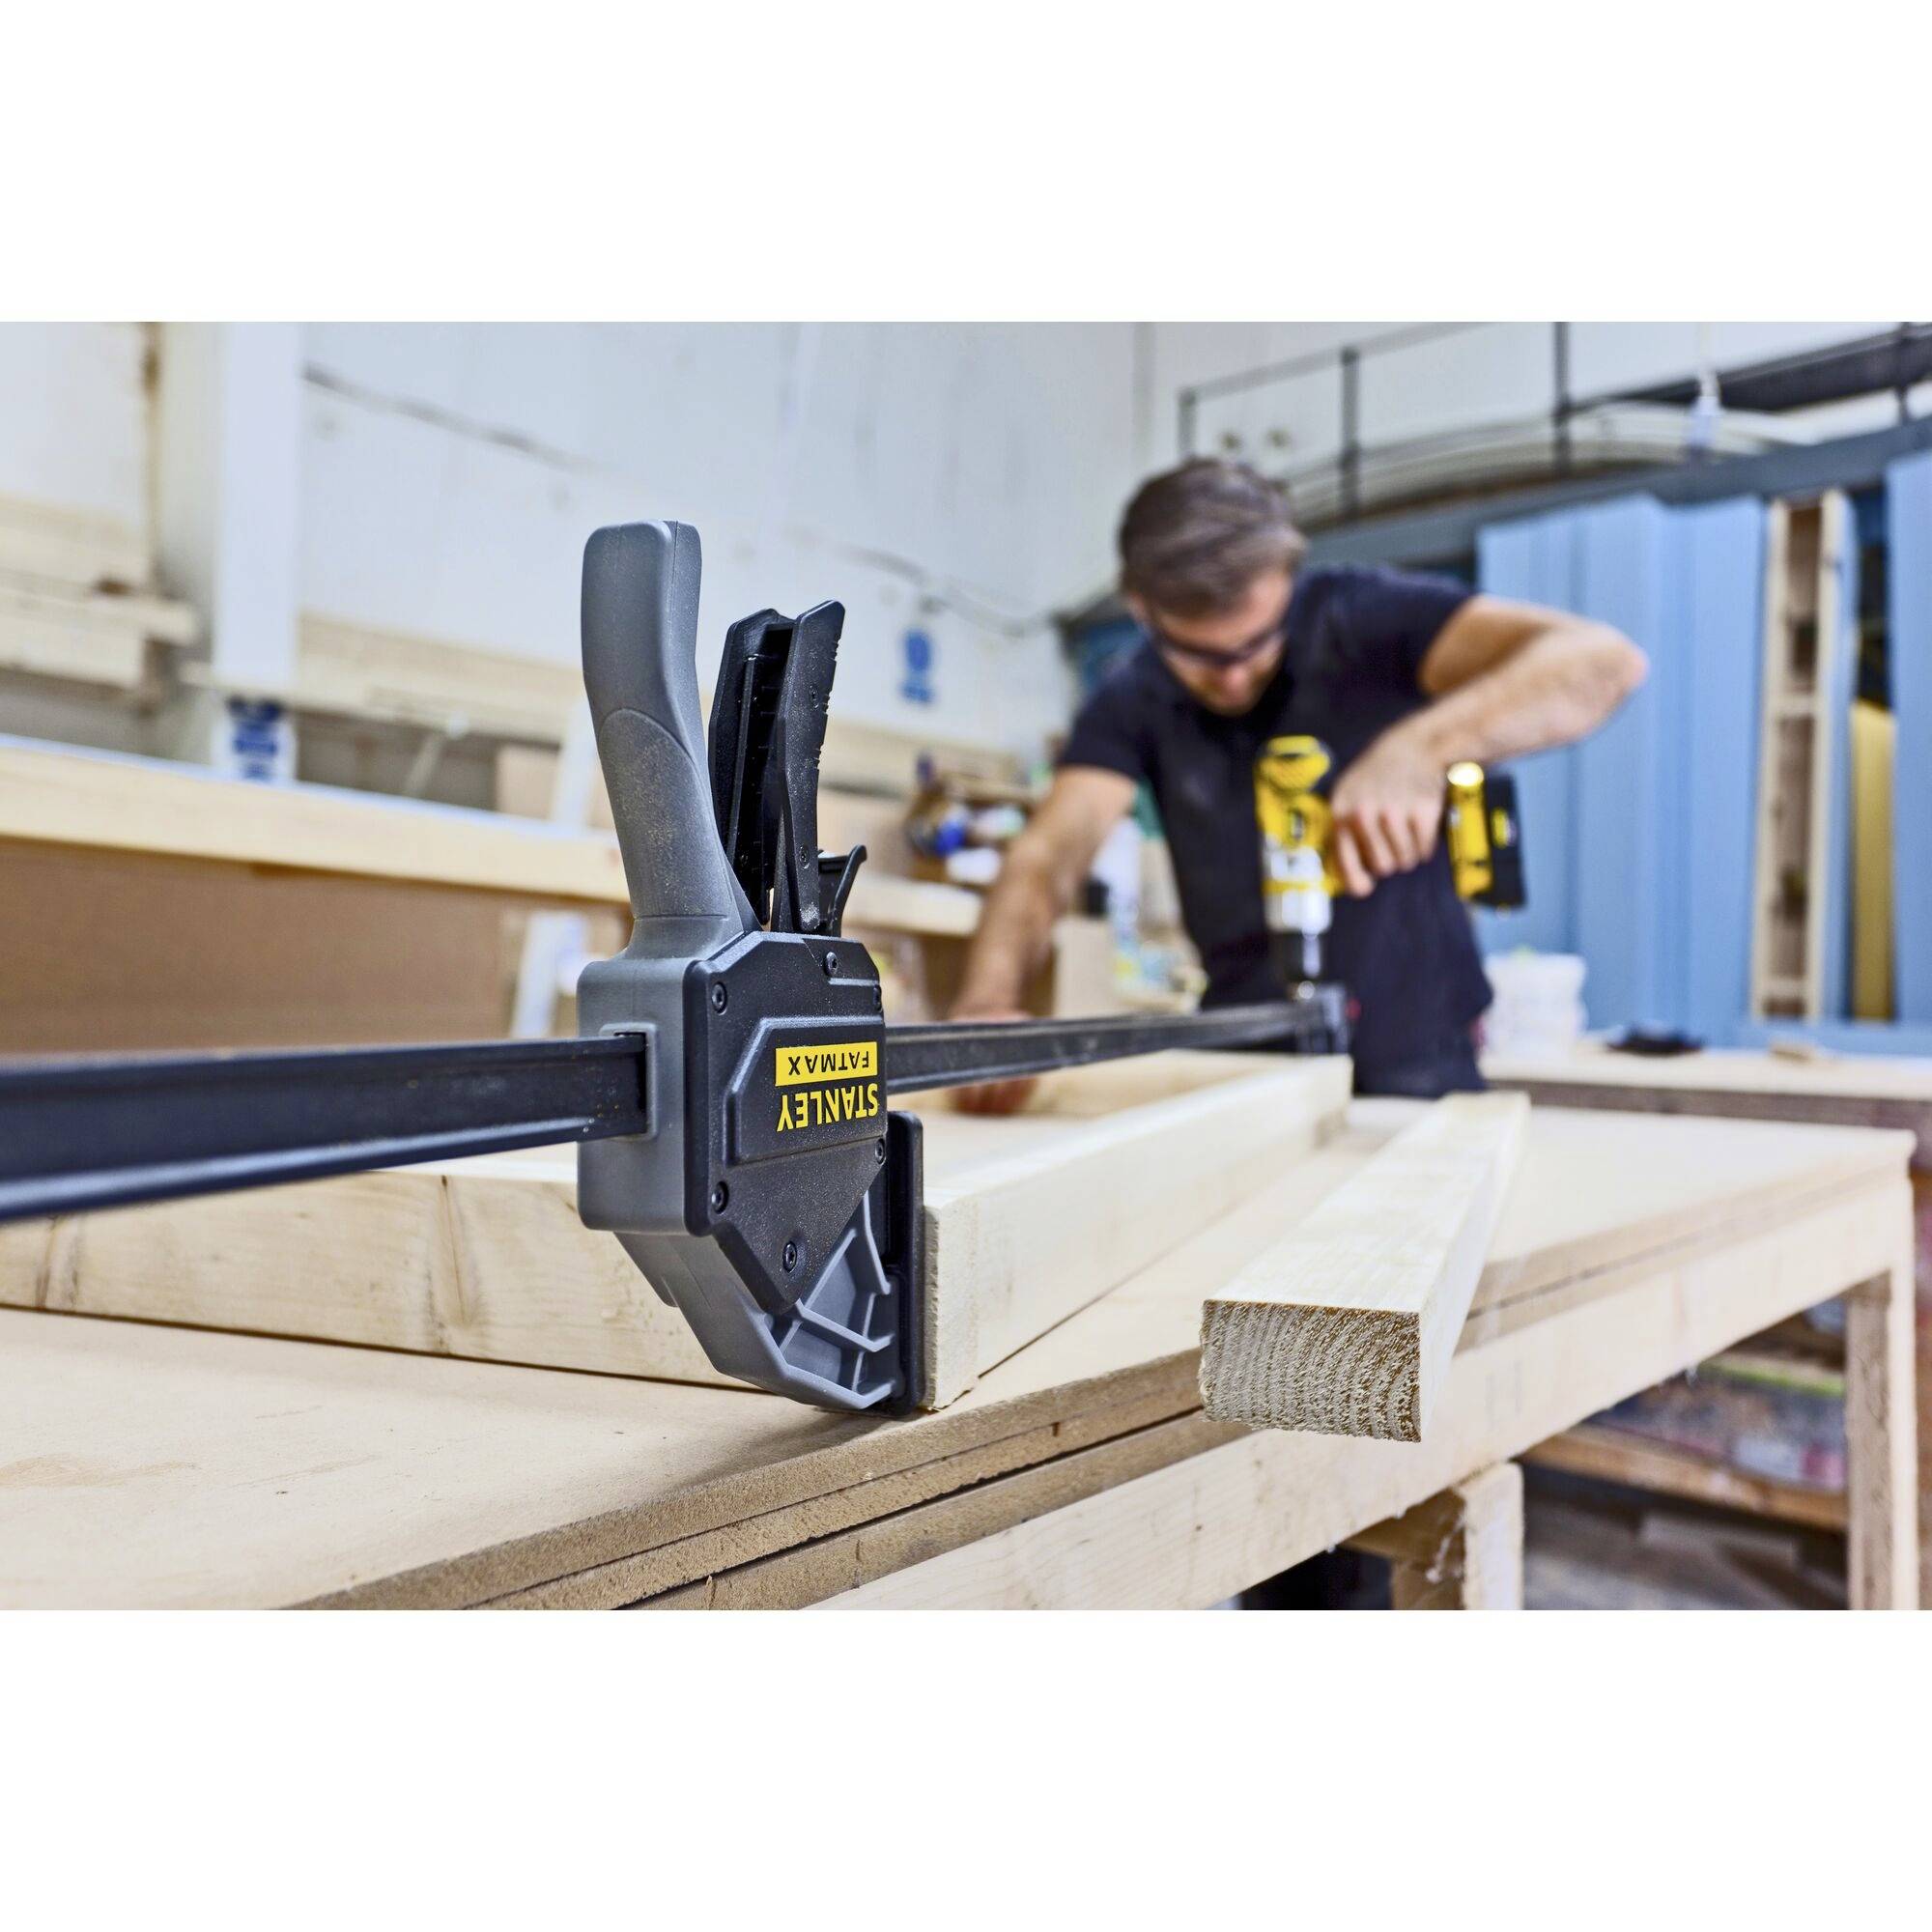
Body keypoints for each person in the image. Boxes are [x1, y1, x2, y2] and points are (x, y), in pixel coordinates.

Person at [951, 459, 1646, 1105]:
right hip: (1245, 1059)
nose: (1232, 676)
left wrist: (1419, 749)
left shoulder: (1365, 617)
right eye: (1199, 655)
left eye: (1256, 644)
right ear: (1140, 608)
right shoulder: (1134, 693)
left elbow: (1603, 661)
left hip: (1422, 1052)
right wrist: (986, 1005)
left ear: (1287, 579)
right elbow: (1048, 857)